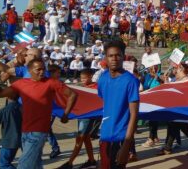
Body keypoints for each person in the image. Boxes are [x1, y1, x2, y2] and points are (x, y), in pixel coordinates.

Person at [0, 59, 77, 169]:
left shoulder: (51, 82)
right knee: (34, 164)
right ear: (29, 71)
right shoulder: (21, 84)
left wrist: (65, 114)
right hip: (24, 131)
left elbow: (72, 95)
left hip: (38, 132)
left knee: (24, 165)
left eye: (43, 69)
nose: (42, 72)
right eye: (38, 69)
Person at [97, 40, 140, 169]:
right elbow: (106, 104)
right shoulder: (102, 78)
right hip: (105, 135)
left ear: (123, 56)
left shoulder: (131, 81)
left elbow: (134, 114)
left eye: (118, 55)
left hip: (121, 137)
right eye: (110, 56)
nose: (114, 59)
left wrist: (126, 146)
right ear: (105, 58)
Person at [57, 69, 99, 169]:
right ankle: (91, 160)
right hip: (82, 115)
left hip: (89, 116)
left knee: (80, 138)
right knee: (85, 138)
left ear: (90, 77)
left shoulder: (96, 87)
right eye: (81, 78)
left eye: (85, 78)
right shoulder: (83, 87)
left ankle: (70, 162)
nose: (82, 80)